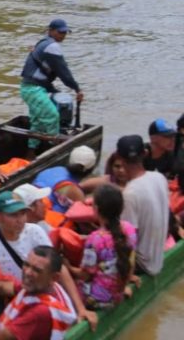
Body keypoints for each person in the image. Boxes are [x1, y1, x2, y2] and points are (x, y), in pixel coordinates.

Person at [0, 191, 95, 328]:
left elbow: (57, 268)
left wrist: (80, 308)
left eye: (22, 213)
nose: (20, 219)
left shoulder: (34, 232)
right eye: (13, 215)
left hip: (31, 292)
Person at [0, 247, 79, 340]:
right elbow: (1, 287)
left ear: (54, 277)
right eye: (26, 265)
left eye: (37, 270)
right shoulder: (45, 286)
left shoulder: (40, 312)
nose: (27, 272)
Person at [20, 19, 84, 158]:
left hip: (32, 89)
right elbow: (63, 72)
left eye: (65, 32)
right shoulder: (52, 46)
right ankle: (52, 153)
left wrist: (54, 90)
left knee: (37, 122)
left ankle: (30, 152)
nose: (63, 35)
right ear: (51, 31)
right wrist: (77, 89)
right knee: (52, 116)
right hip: (33, 89)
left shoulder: (42, 43)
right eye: (60, 32)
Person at [68, 184, 137, 309]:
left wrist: (68, 267)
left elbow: (85, 275)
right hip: (118, 293)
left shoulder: (95, 239)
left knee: (68, 283)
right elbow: (130, 261)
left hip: (99, 299)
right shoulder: (129, 229)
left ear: (96, 209)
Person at [115, 135, 170, 275]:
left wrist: (127, 275)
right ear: (145, 154)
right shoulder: (159, 178)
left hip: (143, 264)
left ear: (120, 159)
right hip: (157, 258)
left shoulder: (130, 193)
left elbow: (129, 241)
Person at [31, 145, 97, 214]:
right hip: (47, 217)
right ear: (91, 169)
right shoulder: (72, 190)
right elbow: (84, 214)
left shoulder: (55, 169)